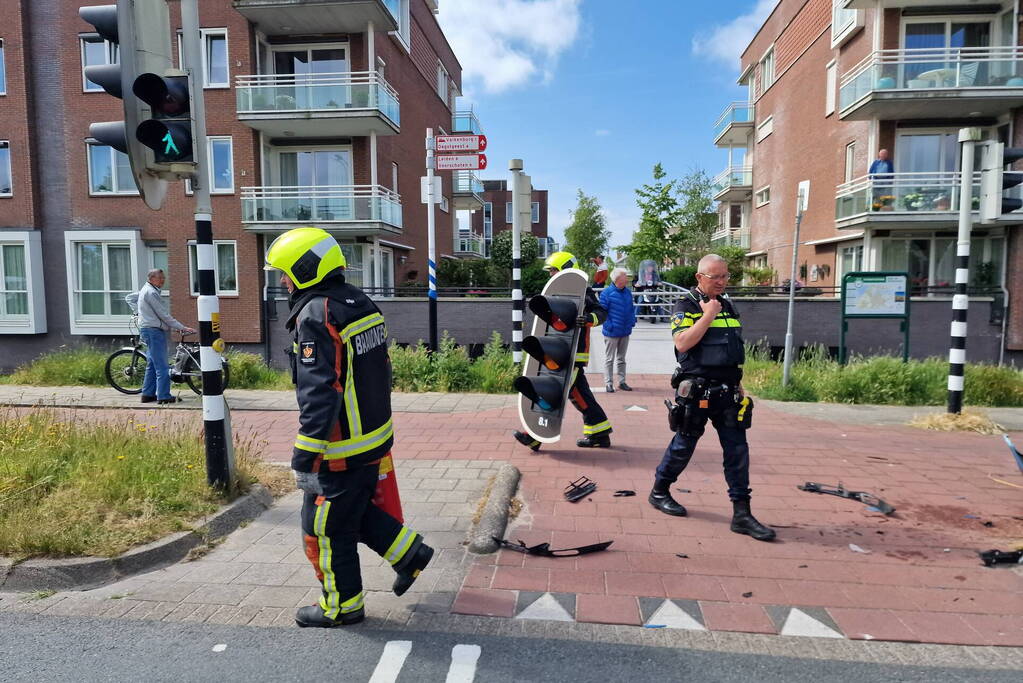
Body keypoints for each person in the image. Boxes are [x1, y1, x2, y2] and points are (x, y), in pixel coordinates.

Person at [264, 227, 433, 628]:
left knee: (321, 529)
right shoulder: (361, 302)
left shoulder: (317, 313)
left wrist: (305, 455)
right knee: (350, 514)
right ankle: (410, 554)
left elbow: (321, 390)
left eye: (286, 273)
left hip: (338, 448)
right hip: (372, 439)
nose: (284, 281)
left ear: (305, 269)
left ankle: (341, 607)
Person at [648, 254, 775, 542]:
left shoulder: (728, 305)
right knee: (684, 444)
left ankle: (741, 513)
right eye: (715, 277)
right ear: (699, 278)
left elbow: (731, 350)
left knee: (738, 451)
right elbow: (682, 342)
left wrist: (739, 384)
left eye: (725, 276)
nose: (721, 282)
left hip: (728, 390)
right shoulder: (686, 305)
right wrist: (708, 315)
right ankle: (659, 491)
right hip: (697, 390)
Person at [513, 251, 613, 451]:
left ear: (565, 268)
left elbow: (601, 312)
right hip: (557, 352)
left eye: (553, 270)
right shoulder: (554, 289)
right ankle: (599, 432)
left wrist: (588, 318)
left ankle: (534, 436)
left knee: (557, 392)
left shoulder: (583, 290)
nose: (550, 274)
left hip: (573, 353)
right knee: (577, 394)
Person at [134, 269, 195, 405]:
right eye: (160, 278)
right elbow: (163, 314)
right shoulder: (151, 292)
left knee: (151, 364)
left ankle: (148, 394)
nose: (163, 280)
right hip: (153, 332)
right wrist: (182, 327)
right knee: (162, 365)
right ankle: (163, 396)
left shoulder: (147, 290)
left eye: (164, 278)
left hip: (149, 330)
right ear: (151, 278)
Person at [598, 267, 637, 393]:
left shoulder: (627, 292)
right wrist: (609, 326)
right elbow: (602, 313)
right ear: (618, 279)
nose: (627, 278)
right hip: (611, 332)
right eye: (625, 276)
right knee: (609, 359)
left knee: (621, 359)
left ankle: (622, 382)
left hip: (625, 331)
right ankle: (608, 383)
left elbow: (631, 309)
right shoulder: (606, 293)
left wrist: (632, 321)